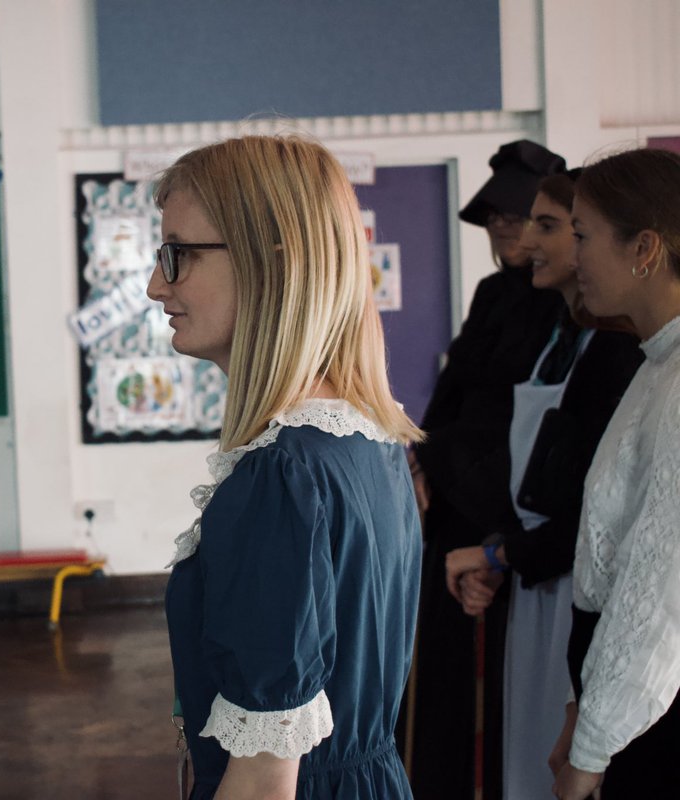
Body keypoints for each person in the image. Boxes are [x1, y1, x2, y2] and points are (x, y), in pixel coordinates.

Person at [149, 135, 422, 799]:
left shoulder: (281, 475)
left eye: (178, 255)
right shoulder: (367, 435)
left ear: (271, 261)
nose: (156, 285)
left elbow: (265, 777)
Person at [442, 171, 642, 799]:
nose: (525, 241)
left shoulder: (624, 353)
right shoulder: (560, 333)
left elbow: (602, 510)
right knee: (526, 760)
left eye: (555, 228)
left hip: (575, 582)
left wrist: (503, 552)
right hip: (539, 579)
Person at [402, 139, 566, 799]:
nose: (501, 227)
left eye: (519, 216)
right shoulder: (494, 291)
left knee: (501, 690)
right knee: (440, 679)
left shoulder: (567, 305)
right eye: (493, 216)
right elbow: (454, 391)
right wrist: (419, 456)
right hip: (453, 503)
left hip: (509, 514)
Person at [548, 148, 680, 800]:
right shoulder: (656, 362)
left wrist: (593, 745)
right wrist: (581, 708)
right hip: (626, 716)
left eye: (581, 235)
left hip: (652, 723)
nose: (573, 258)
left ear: (644, 249)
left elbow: (660, 586)